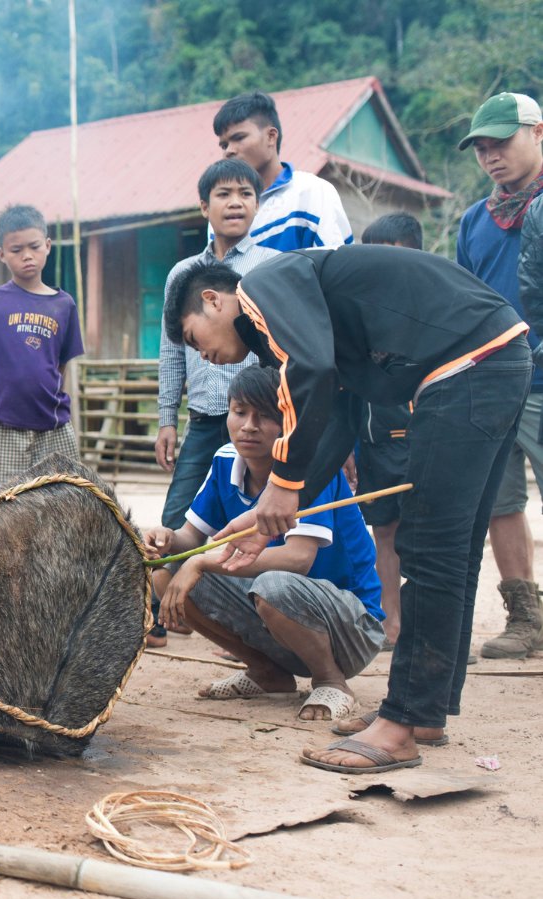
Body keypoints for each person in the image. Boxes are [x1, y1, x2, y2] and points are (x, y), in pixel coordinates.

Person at [163, 244, 530, 772]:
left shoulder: (262, 290)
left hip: (467, 365)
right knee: (454, 551)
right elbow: (339, 418)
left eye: (194, 338)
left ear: (215, 301)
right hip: (492, 357)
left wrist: (284, 483)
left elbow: (310, 371)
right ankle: (423, 712)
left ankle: (400, 726)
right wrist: (273, 516)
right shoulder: (301, 319)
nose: (201, 355)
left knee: (429, 549)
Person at [145, 367, 384, 721]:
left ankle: (331, 681)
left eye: (266, 416)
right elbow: (189, 539)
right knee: (168, 574)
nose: (249, 426)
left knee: (273, 585)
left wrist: (204, 562)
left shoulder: (312, 466)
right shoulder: (226, 460)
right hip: (279, 622)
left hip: (350, 628)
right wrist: (165, 539)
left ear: (289, 424)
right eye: (240, 412)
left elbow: (299, 558)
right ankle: (266, 672)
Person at [151, 160, 279, 648]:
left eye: (246, 194)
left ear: (257, 203)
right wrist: (168, 417)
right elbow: (171, 349)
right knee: (177, 518)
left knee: (259, 514)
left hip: (259, 418)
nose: (236, 203)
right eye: (224, 194)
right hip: (205, 417)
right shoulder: (182, 275)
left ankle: (248, 623)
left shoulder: (268, 267)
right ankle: (160, 615)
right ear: (204, 206)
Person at [455, 93, 543, 659]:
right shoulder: (473, 221)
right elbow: (462, 303)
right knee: (500, 500)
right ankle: (526, 617)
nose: (491, 157)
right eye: (482, 148)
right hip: (493, 379)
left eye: (501, 143)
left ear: (538, 133)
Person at [0, 204, 84, 481]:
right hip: (2, 427)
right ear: (1, 254)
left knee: (63, 501)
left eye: (34, 246)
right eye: (16, 250)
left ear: (47, 245)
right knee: (2, 505)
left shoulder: (64, 305)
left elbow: (61, 366)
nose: (27, 256)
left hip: (54, 426)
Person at [352, 212, 425, 649]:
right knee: (385, 531)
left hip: (420, 439)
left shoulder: (430, 309)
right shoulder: (360, 315)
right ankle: (390, 622)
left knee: (426, 534)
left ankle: (425, 625)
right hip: (375, 444)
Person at [214, 91, 352, 251]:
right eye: (224, 145)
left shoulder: (311, 192)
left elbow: (333, 267)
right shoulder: (221, 212)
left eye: (238, 138)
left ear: (271, 137)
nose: (229, 151)